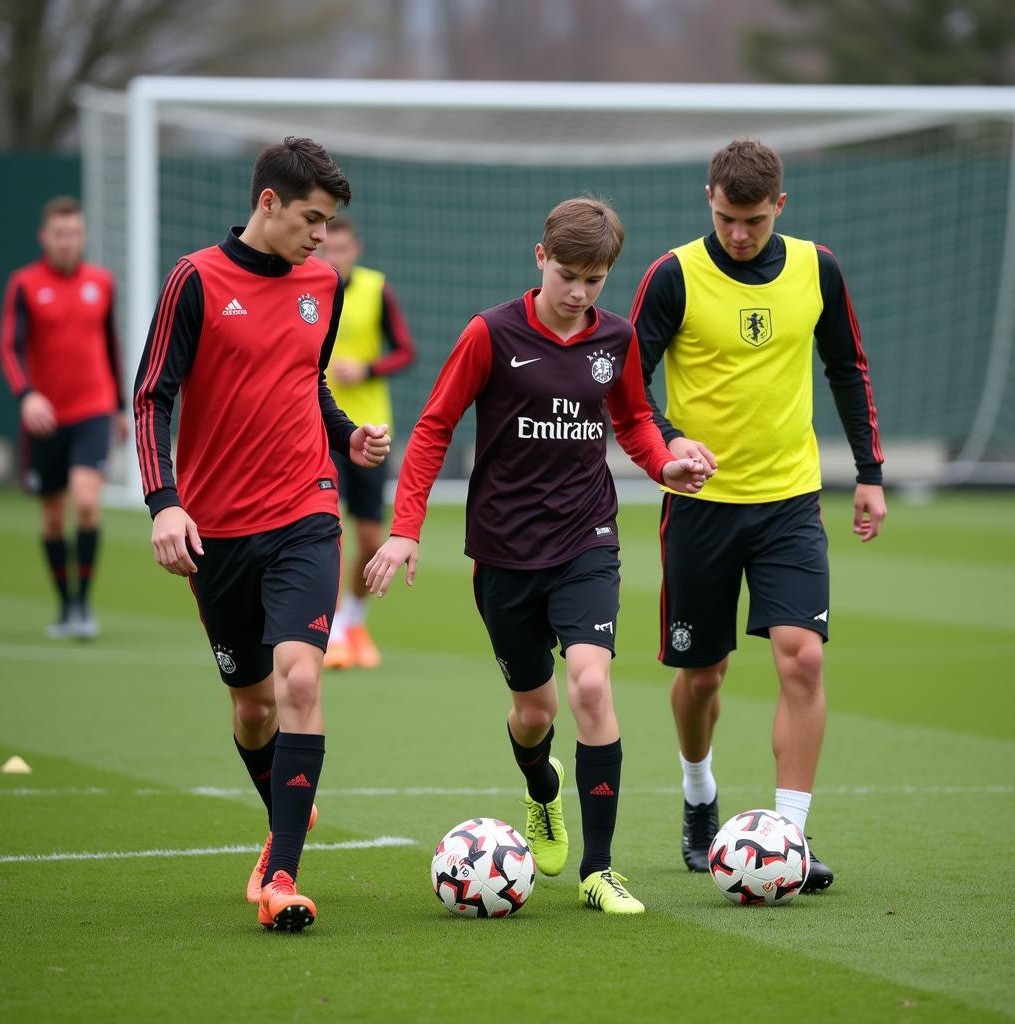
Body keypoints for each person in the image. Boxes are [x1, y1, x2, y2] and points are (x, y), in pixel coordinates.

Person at [364, 197, 707, 915]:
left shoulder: (615, 339)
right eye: (569, 275)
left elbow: (635, 418)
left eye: (595, 279)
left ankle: (600, 869)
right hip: (504, 552)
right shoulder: (490, 334)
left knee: (589, 686)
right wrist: (404, 528)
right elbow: (431, 429)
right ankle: (542, 792)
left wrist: (663, 463)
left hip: (588, 540)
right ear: (540, 258)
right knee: (533, 712)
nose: (579, 293)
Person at [132, 137, 390, 933]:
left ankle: (281, 873)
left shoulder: (323, 283)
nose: (322, 237)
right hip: (216, 530)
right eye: (312, 219)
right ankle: (290, 804)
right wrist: (164, 503)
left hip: (305, 512)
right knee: (251, 709)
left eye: (331, 223)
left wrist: (343, 434)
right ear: (268, 204)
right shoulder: (195, 279)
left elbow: (304, 378)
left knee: (301, 682)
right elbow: (150, 398)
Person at [630, 139, 886, 892]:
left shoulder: (818, 268)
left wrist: (869, 473)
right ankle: (698, 794)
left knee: (802, 657)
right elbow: (627, 383)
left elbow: (848, 368)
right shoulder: (674, 275)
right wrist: (670, 439)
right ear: (708, 197)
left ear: (781, 205)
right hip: (701, 507)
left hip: (789, 501)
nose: (738, 234)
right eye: (725, 217)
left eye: (751, 220)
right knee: (703, 676)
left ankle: (788, 838)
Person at [0, 196, 127, 639]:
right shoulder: (25, 284)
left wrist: (121, 408)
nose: (67, 241)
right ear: (44, 237)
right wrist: (27, 396)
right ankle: (66, 604)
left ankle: (85, 606)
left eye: (74, 233)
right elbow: (9, 347)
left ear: (83, 236)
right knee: (53, 518)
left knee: (87, 502)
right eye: (60, 234)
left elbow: (112, 345)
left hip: (93, 410)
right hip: (45, 420)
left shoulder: (102, 282)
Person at [315, 218, 416, 670]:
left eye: (342, 248)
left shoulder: (376, 289)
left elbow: (406, 351)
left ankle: (352, 621)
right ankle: (328, 628)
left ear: (355, 248)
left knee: (372, 536)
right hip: (318, 428)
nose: (334, 257)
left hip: (370, 431)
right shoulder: (307, 289)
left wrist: (368, 369)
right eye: (327, 249)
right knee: (324, 529)